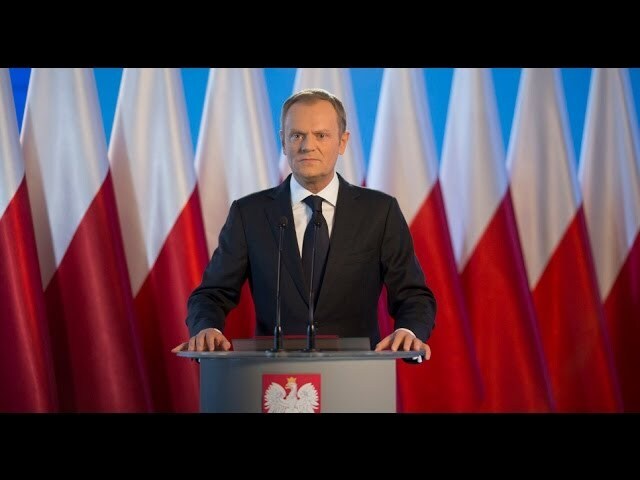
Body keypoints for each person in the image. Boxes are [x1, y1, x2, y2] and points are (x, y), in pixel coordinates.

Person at [173, 88, 436, 355]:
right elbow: (211, 294)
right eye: (297, 135)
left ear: (342, 142)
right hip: (275, 373)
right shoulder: (249, 214)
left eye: (321, 135)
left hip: (356, 371)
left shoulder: (379, 212)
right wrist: (207, 328)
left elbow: (413, 295)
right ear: (283, 141)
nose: (307, 146)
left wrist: (409, 331)